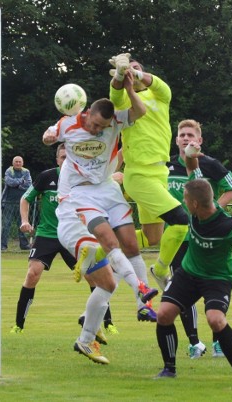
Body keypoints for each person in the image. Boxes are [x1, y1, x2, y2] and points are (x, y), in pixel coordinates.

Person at [43, 69, 157, 365]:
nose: (96, 131)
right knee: (105, 246)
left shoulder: (114, 121)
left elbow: (139, 109)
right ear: (86, 114)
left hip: (106, 191)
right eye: (93, 125)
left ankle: (93, 329)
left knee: (119, 264)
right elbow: (49, 137)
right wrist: (49, 135)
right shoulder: (67, 127)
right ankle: (141, 291)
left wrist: (128, 83)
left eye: (101, 127)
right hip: (76, 210)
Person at [154, 175, 232, 383]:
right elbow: (193, 171)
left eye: (185, 199)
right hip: (188, 273)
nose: (183, 202)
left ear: (194, 203)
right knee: (164, 315)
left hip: (217, 278)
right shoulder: (193, 211)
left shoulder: (227, 225)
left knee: (215, 320)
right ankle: (169, 370)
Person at [11, 144, 117, 337]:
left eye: (69, 157)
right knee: (33, 274)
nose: (66, 161)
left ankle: (108, 322)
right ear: (57, 159)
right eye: (62, 157)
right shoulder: (47, 177)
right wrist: (25, 221)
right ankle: (18, 325)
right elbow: (25, 199)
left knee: (95, 277)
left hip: (73, 234)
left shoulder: (84, 177)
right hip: (47, 234)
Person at [108, 53, 189, 294]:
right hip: (139, 176)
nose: (133, 72)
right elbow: (114, 93)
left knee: (153, 237)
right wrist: (121, 77)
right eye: (127, 69)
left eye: (137, 68)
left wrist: (135, 73)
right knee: (181, 222)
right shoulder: (125, 102)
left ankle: (98, 249)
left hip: (159, 173)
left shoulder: (160, 96)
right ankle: (162, 270)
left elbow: (160, 85)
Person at [165, 119, 232, 359]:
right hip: (177, 238)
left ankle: (219, 341)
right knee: (182, 294)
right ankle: (194, 342)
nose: (186, 139)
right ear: (176, 139)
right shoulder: (164, 166)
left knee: (211, 290)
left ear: (199, 141)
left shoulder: (210, 165)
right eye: (182, 135)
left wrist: (213, 210)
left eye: (191, 135)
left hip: (206, 238)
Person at [1, 156, 32, 251]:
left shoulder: (26, 171)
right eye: (16, 162)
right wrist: (21, 182)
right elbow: (9, 182)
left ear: (22, 163)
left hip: (22, 203)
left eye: (19, 162)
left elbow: (29, 184)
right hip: (8, 203)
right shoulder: (9, 171)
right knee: (6, 225)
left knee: (22, 224)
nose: (18, 163)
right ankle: (3, 245)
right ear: (13, 162)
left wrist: (18, 184)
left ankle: (24, 245)